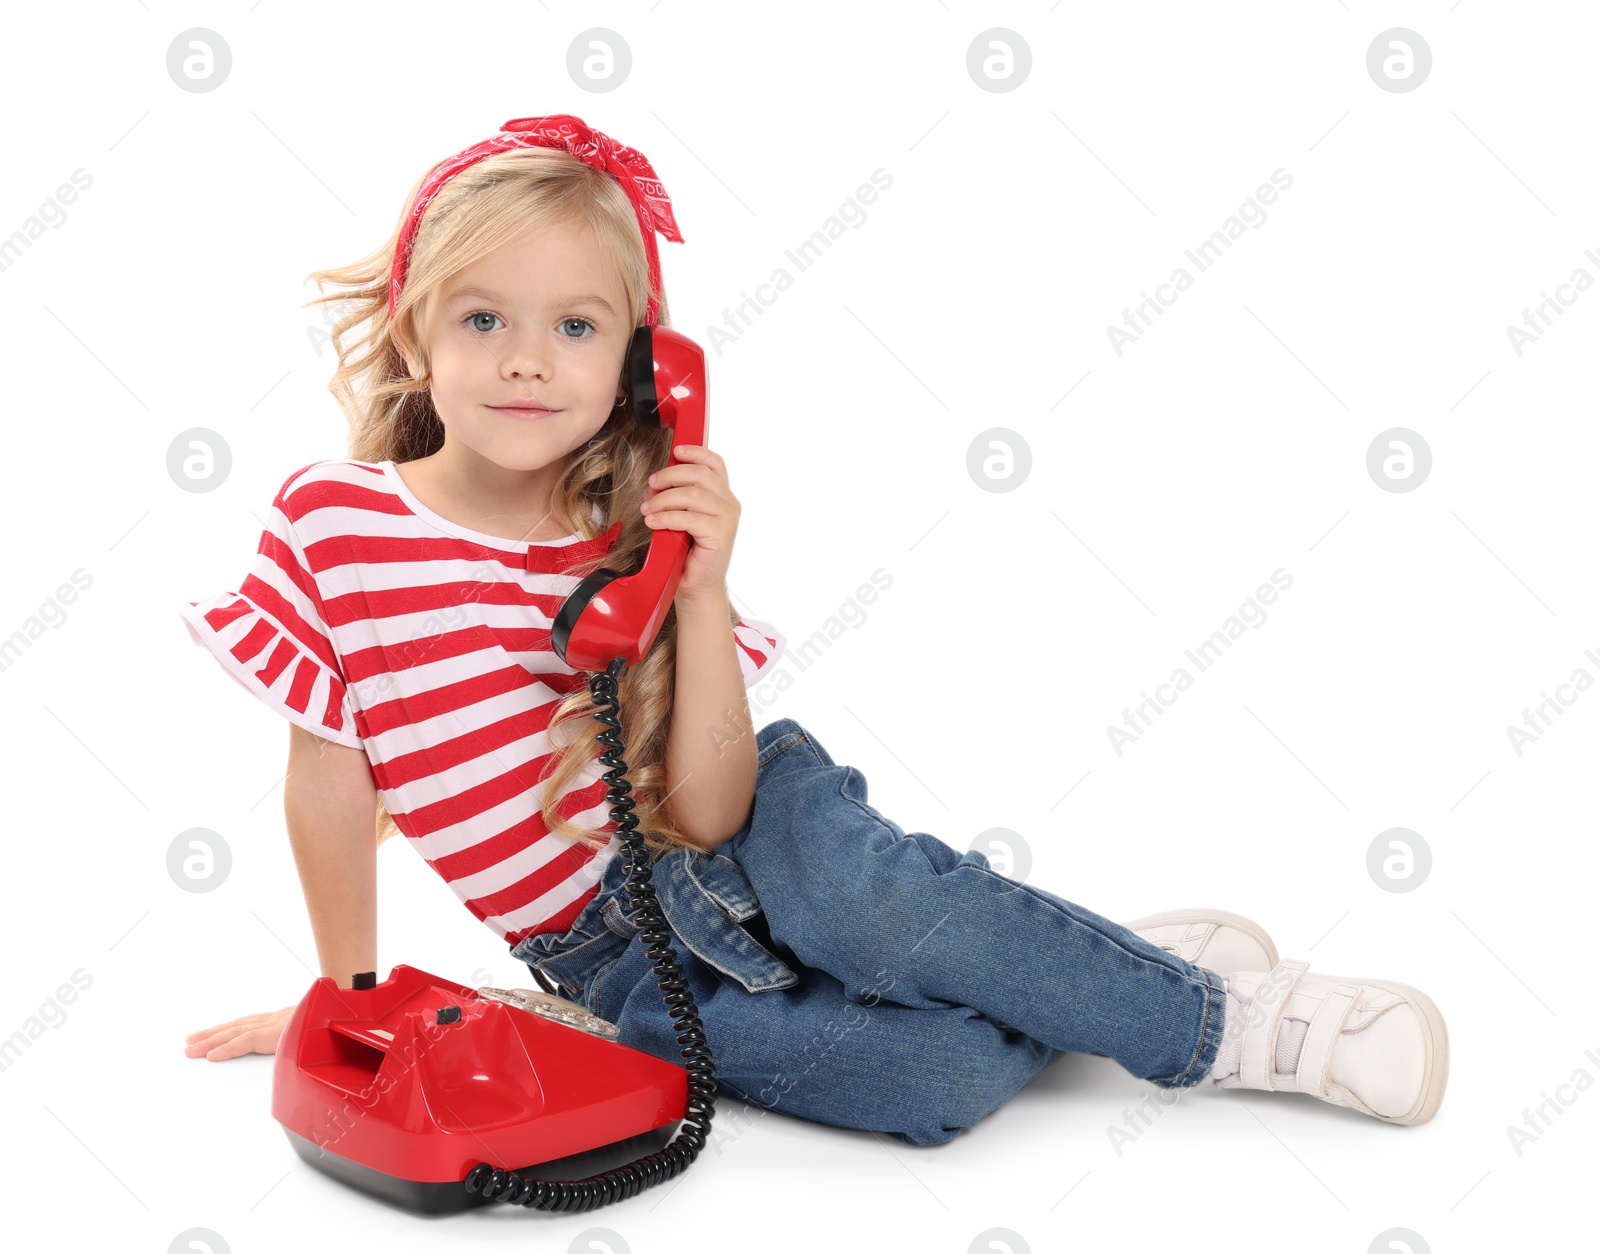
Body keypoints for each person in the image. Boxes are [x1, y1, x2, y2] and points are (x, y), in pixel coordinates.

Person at [179, 115, 1448, 1144]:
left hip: (751, 829)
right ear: (412, 326)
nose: (525, 360)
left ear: (639, 364)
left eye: (574, 325)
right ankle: (1072, 966)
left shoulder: (632, 522)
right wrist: (348, 997)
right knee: (929, 1085)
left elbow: (716, 810)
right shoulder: (334, 519)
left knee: (885, 916)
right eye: (482, 319)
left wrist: (697, 584)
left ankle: (1234, 1024)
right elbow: (331, 781)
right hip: (602, 956)